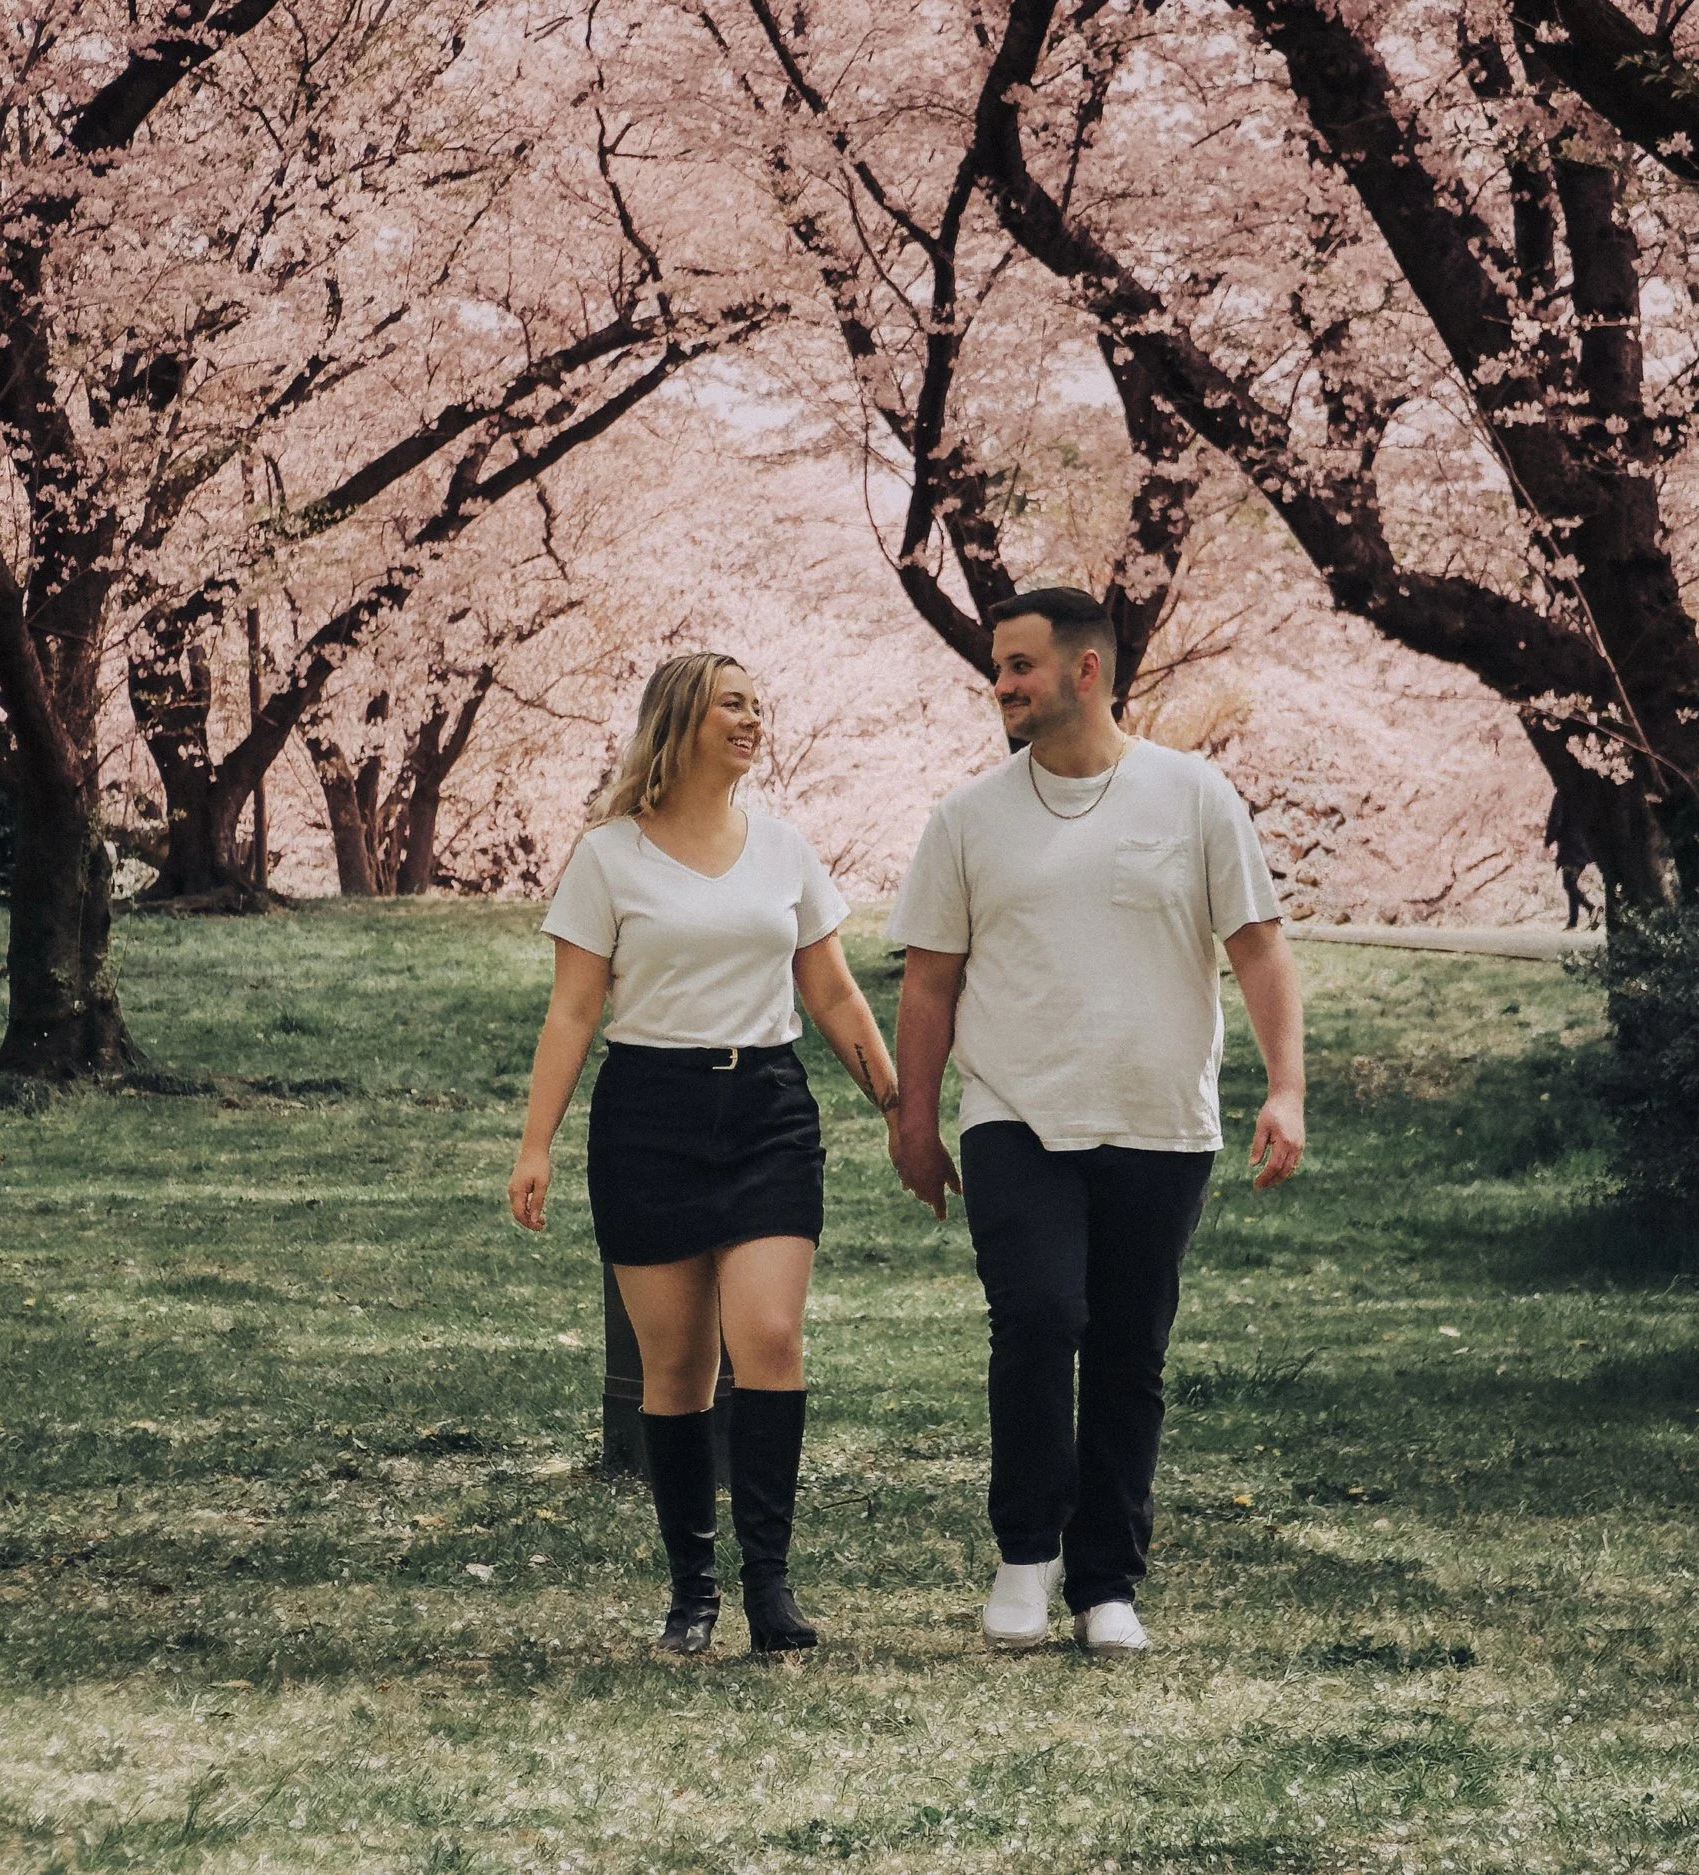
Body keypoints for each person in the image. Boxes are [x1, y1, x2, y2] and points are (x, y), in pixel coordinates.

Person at [886, 588, 1307, 1654]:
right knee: (1035, 1320)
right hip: (1015, 1115)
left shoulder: (1194, 796)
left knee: (1127, 1351)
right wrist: (914, 1120)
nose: (1001, 685)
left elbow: (1256, 950)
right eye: (997, 668)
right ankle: (1026, 1556)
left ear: (1085, 671)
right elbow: (929, 984)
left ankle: (1107, 1583)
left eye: (1018, 666)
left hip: (1160, 1122)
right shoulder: (967, 817)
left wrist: (1286, 1088)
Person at [508, 652, 900, 1657]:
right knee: (674, 1366)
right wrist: (535, 1143)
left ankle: (769, 1586)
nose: (753, 719)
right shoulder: (607, 857)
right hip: (649, 1113)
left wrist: (898, 1106)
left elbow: (835, 995)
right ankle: (693, 1589)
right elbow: (573, 1007)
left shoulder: (784, 851)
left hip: (767, 1106)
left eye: (757, 704)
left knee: (766, 1334)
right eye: (734, 703)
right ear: (679, 721)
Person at [1544, 790, 1599, 930]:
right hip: (1585, 844)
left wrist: (1548, 841)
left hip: (1570, 846)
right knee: (1571, 882)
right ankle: (1573, 921)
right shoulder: (1585, 794)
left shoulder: (1563, 794)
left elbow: (1555, 819)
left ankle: (1591, 909)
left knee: (1569, 883)